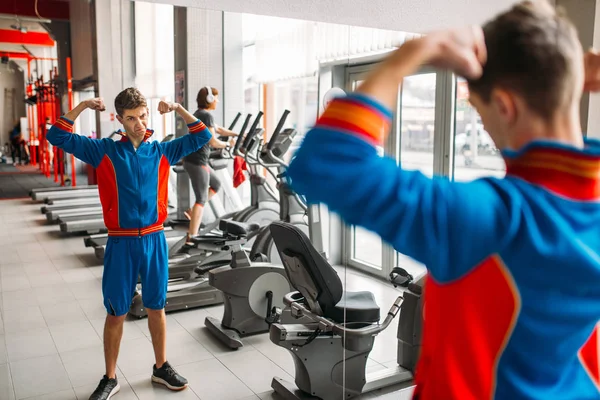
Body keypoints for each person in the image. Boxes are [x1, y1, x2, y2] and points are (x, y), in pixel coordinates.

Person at [286, 1, 600, 399]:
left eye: (481, 111)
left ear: (504, 105)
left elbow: (326, 163)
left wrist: (411, 54)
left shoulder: (492, 221)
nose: (485, 127)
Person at [47, 87, 213, 400]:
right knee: (116, 311)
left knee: (156, 306)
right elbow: (57, 135)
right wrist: (83, 104)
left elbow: (201, 135)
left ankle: (160, 367)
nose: (139, 123)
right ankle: (110, 377)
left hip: (154, 239)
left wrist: (177, 107)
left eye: (142, 116)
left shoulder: (161, 150)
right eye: (131, 118)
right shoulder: (105, 151)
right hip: (121, 243)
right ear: (120, 120)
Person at [182, 86, 238, 245]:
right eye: (216, 97)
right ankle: (191, 238)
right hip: (198, 161)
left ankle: (191, 212)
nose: (218, 101)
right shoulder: (206, 115)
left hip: (192, 160)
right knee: (201, 198)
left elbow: (218, 129)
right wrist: (228, 145)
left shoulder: (199, 114)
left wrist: (237, 134)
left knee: (216, 184)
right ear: (210, 100)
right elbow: (213, 141)